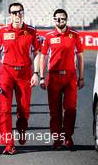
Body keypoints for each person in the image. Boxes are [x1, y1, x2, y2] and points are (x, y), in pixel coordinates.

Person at [0, 2, 41, 155]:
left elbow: (37, 53)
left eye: (19, 12)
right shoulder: (3, 31)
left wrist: (36, 73)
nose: (17, 15)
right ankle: (8, 143)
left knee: (24, 109)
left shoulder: (31, 31)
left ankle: (21, 129)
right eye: (13, 12)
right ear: (10, 15)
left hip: (25, 73)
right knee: (4, 110)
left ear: (23, 13)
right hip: (6, 72)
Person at [39, 9, 84, 150]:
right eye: (57, 19)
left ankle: (68, 137)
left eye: (62, 18)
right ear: (53, 20)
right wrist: (41, 76)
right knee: (55, 111)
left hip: (71, 77)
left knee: (70, 109)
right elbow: (43, 57)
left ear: (67, 19)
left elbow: (80, 57)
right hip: (53, 77)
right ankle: (57, 139)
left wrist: (81, 77)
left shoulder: (75, 35)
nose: (60, 21)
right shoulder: (48, 37)